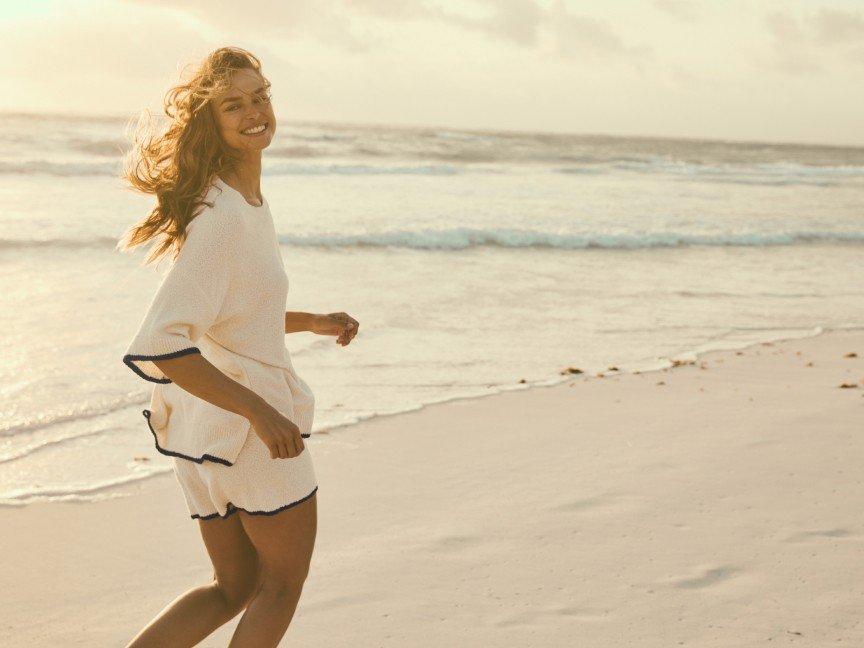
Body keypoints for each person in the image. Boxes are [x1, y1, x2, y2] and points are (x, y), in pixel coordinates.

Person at [116, 46, 358, 647]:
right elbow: (165, 344)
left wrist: (309, 322)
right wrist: (262, 411)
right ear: (212, 123)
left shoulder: (240, 200)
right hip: (249, 437)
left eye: (260, 96)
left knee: (233, 588)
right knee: (281, 585)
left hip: (200, 435)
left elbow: (231, 317)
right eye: (234, 105)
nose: (255, 113)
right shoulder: (222, 216)